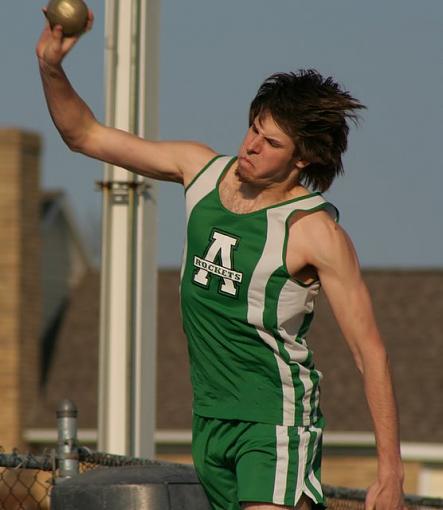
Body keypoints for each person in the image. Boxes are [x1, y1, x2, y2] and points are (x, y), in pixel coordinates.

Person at [36, 11, 406, 510]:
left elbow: (370, 352)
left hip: (275, 420)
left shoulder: (315, 233)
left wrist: (391, 472)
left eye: (271, 142)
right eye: (254, 128)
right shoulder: (201, 171)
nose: (251, 146)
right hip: (210, 420)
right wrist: (51, 68)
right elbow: (84, 135)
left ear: (302, 160)